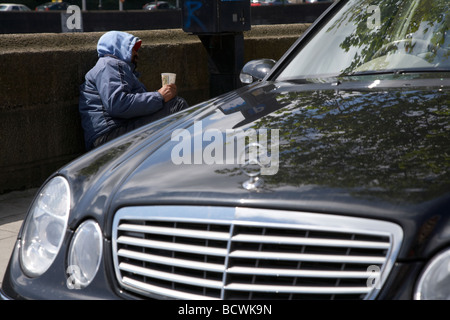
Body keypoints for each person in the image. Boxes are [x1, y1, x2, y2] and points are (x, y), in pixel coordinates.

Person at [79, 31, 189, 151]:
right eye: (133, 49)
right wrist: (159, 96)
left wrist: (159, 95)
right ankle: (185, 157)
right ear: (120, 47)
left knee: (171, 107)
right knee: (176, 106)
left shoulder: (115, 68)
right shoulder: (110, 64)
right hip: (109, 136)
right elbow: (118, 104)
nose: (137, 54)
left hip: (112, 132)